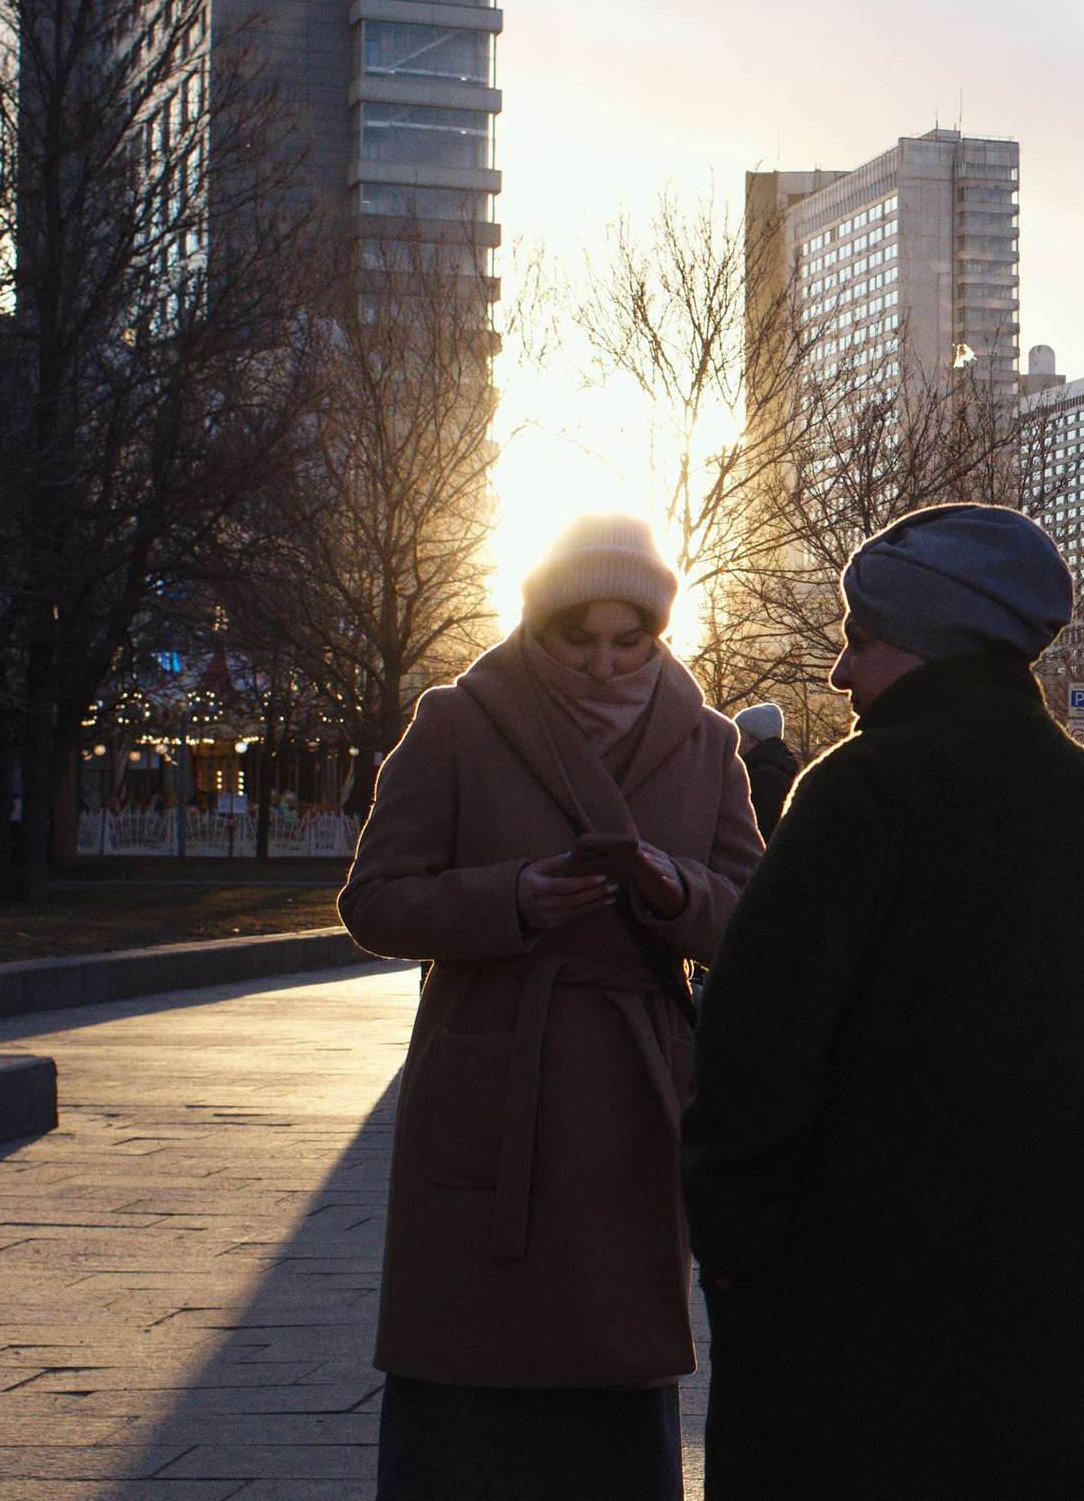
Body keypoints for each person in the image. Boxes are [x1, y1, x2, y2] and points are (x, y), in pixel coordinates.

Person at [683, 503, 1084, 1500]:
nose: (842, 672)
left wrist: (744, 1256)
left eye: (859, 641)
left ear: (927, 647)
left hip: (849, 1333)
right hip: (1064, 1331)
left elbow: (752, 1048)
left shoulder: (860, 791)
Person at [341, 512, 764, 1501]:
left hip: (633, 1082)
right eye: (581, 639)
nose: (607, 665)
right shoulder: (458, 721)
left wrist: (672, 893)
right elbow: (373, 900)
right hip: (495, 1072)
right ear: (538, 623)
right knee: (468, 1340)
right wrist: (512, 899)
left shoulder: (706, 745)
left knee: (616, 1341)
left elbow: (753, 920)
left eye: (633, 641)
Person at [732, 702, 799, 839]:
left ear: (754, 740)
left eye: (739, 733)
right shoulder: (774, 771)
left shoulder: (762, 778)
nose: (733, 739)